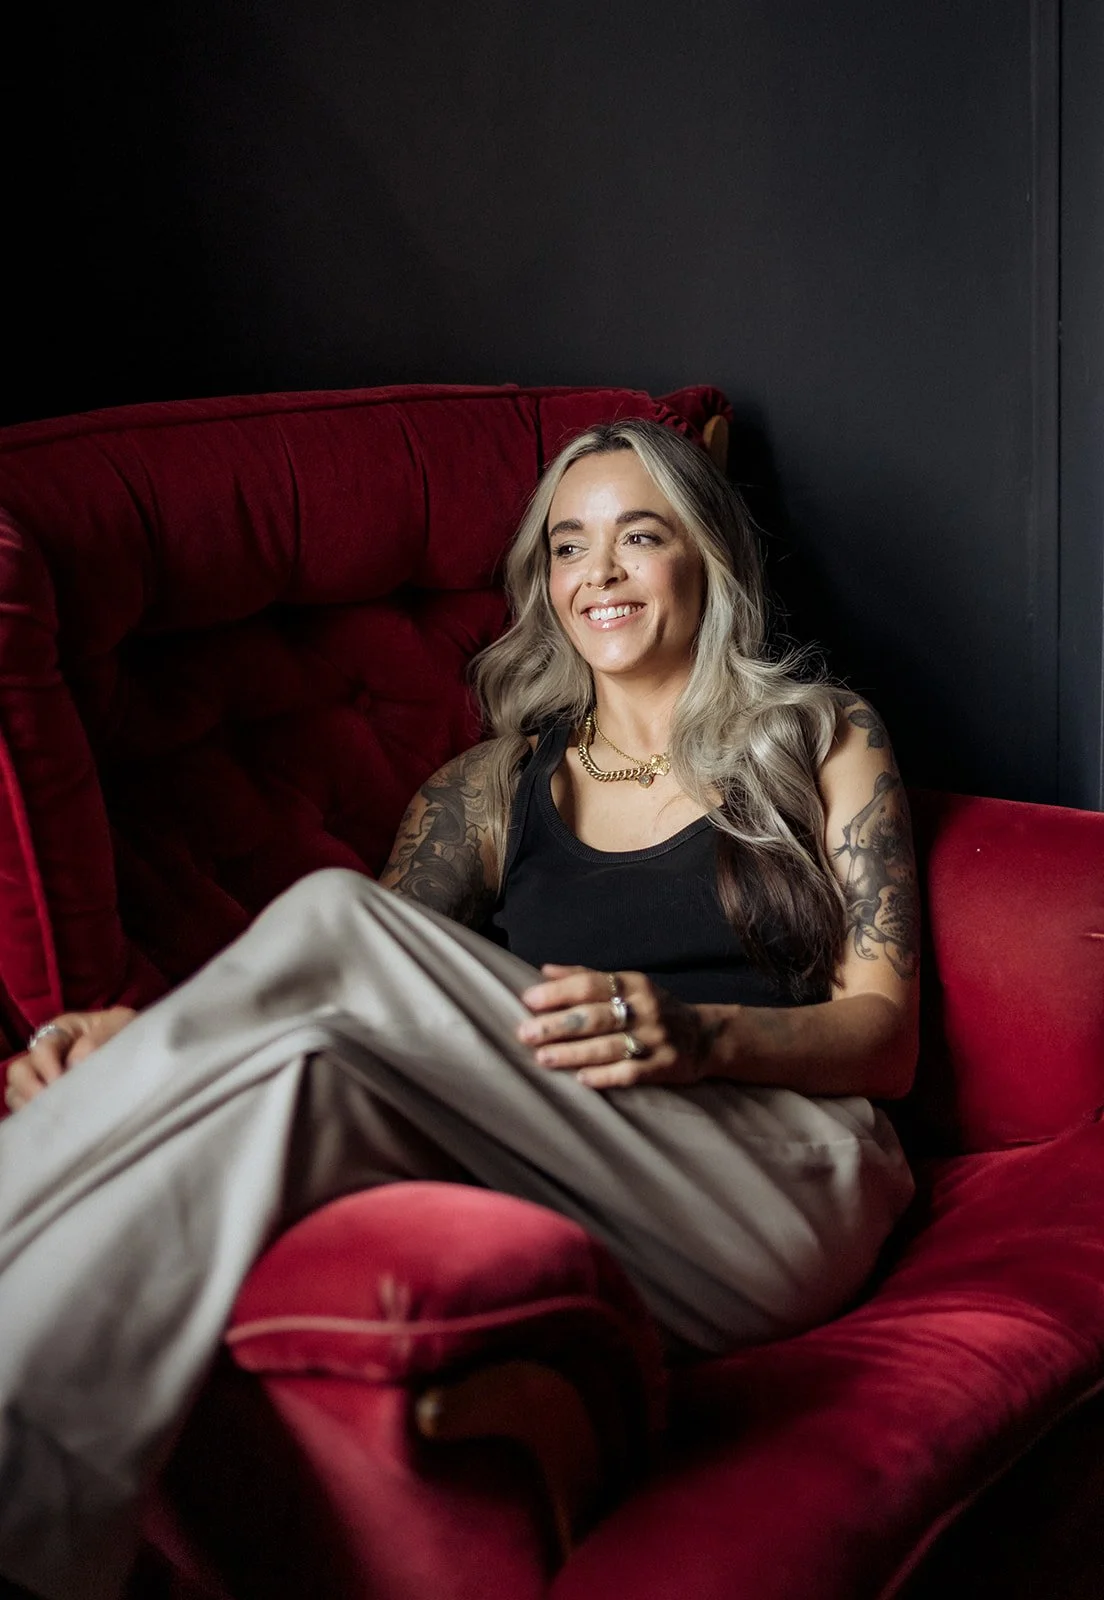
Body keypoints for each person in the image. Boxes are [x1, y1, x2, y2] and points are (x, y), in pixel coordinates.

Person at [0, 418, 918, 1600]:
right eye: (569, 547)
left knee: (333, 921)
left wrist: (699, 1036)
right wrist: (165, 1056)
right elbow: (351, 1004)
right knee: (306, 1068)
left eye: (641, 537)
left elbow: (887, 1039)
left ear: (709, 558)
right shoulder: (490, 789)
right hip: (590, 1175)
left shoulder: (819, 736)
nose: (601, 573)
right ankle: (34, 1514)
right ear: (544, 583)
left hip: (785, 1178)